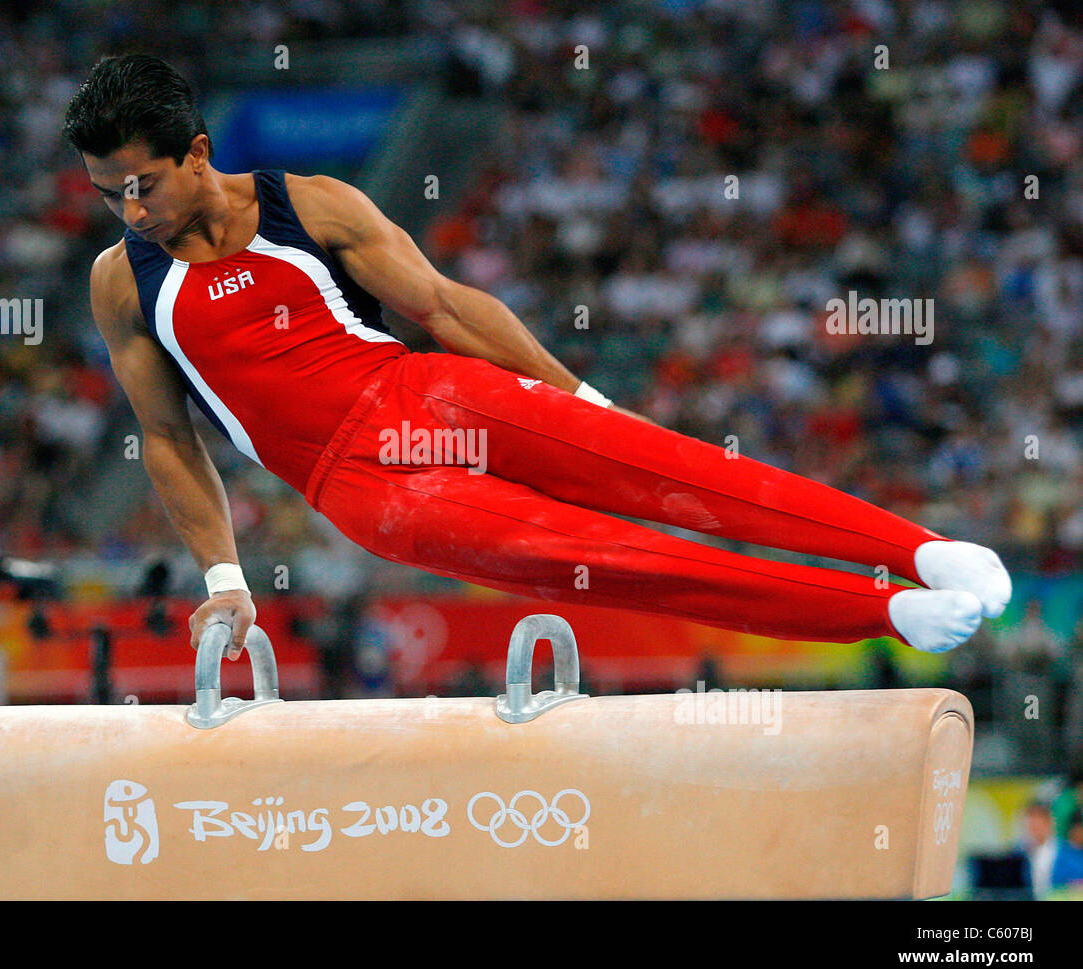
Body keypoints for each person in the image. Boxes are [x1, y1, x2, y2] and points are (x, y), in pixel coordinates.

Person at [62, 54, 1012, 662]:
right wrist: (226, 580)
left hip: (424, 393)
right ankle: (879, 613)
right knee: (609, 555)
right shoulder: (123, 283)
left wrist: (584, 399)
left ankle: (921, 550)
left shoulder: (309, 205)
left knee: (673, 469)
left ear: (196, 151)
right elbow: (166, 436)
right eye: (112, 196)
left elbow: (443, 307)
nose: (133, 211)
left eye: (143, 185)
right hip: (361, 484)